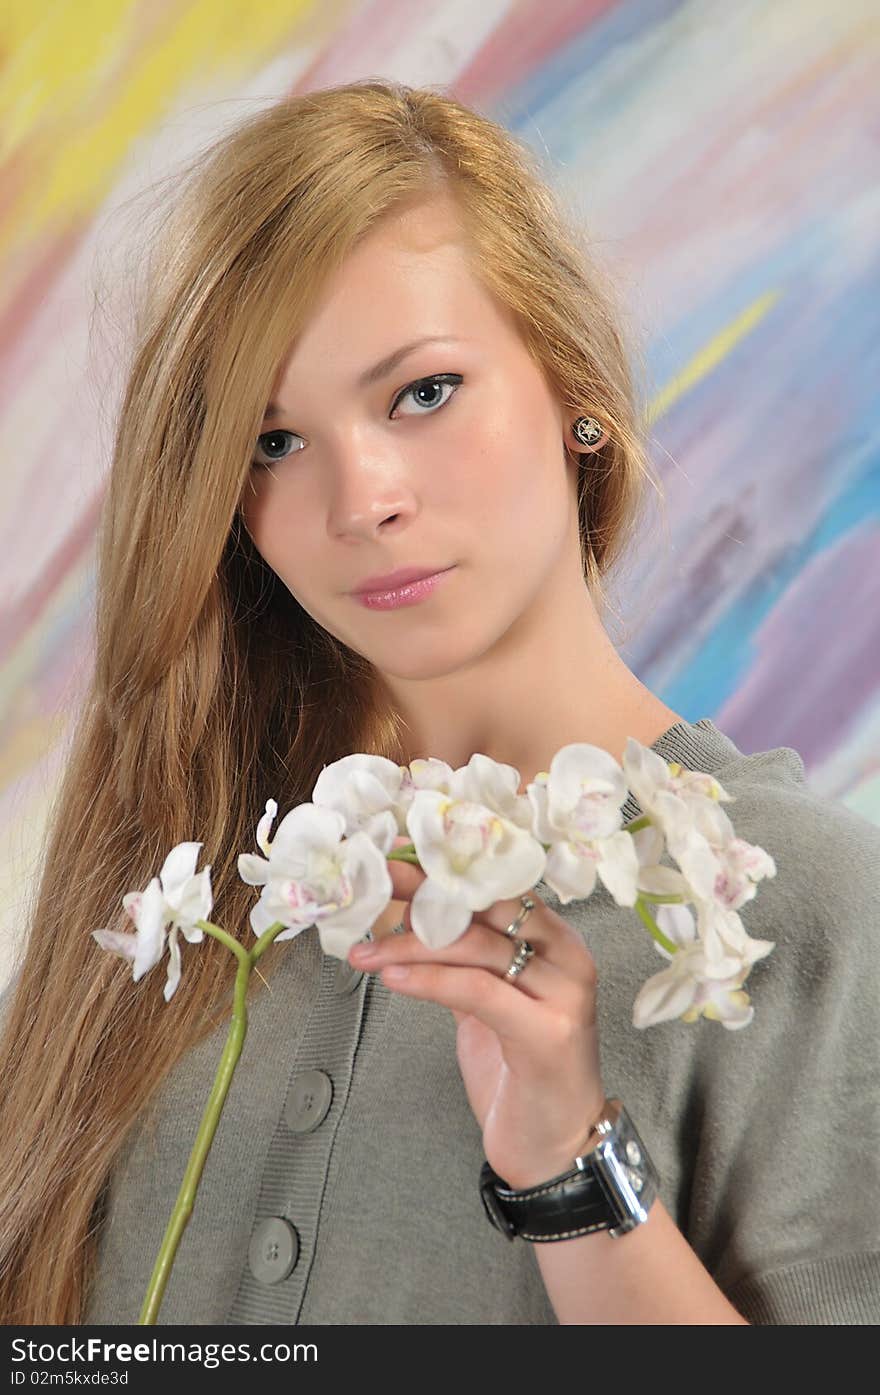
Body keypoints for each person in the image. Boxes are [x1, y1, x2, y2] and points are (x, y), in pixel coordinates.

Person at [1, 78, 878, 1328]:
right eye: (270, 442)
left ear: (573, 389)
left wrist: (570, 1167)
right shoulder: (174, 909)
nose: (363, 501)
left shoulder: (812, 918)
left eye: (422, 393)